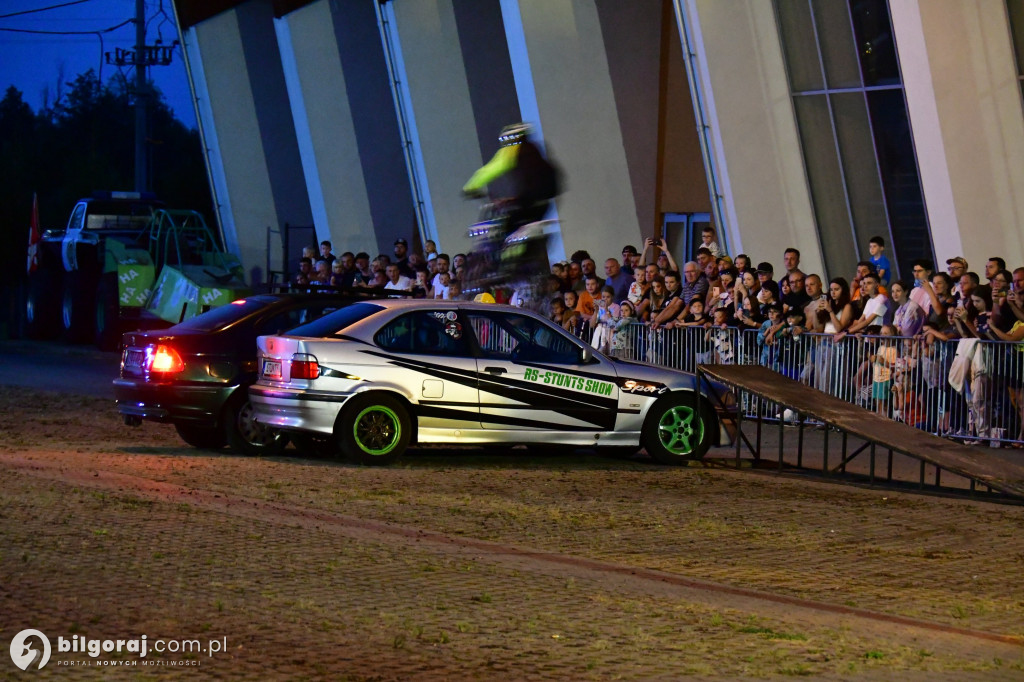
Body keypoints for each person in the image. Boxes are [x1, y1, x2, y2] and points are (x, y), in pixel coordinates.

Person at [462, 122, 561, 232]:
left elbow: (490, 170)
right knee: (525, 229)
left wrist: (471, 187)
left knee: (504, 229)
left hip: (526, 201)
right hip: (545, 203)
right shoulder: (535, 149)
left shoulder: (512, 150)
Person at [841, 272, 889, 336]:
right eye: (864, 283)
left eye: (869, 283)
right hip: (870, 337)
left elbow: (867, 322)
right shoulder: (870, 301)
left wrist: (846, 332)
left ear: (877, 286)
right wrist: (844, 332)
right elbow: (860, 321)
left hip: (880, 337)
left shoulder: (882, 299)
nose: (865, 286)